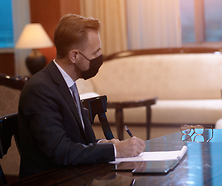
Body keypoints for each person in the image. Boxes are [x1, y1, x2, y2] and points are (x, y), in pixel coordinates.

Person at [18, 14, 146, 178]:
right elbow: (60, 151)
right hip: (50, 179)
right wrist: (116, 150)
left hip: (75, 174)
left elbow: (78, 141)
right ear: (74, 56)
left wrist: (104, 144)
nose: (100, 57)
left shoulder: (66, 82)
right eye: (96, 52)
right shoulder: (40, 89)